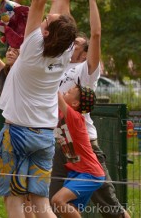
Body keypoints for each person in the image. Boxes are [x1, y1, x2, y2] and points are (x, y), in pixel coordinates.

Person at [0, 0, 79, 218]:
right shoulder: (66, 49)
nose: (47, 15)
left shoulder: (31, 49)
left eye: (48, 19)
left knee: (15, 202)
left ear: (45, 32)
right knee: (40, 204)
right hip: (44, 136)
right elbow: (63, 0)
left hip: (16, 132)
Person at [50, 0, 130, 218]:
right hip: (62, 147)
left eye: (77, 43)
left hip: (86, 149)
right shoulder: (60, 66)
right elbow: (65, 27)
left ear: (84, 53)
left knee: (111, 210)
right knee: (53, 203)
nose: (72, 43)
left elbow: (95, 35)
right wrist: (58, 5)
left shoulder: (85, 73)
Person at [51, 86, 104, 216]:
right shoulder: (61, 113)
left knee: (57, 200)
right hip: (76, 172)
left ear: (75, 103)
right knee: (69, 209)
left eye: (69, 92)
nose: (65, 92)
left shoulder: (76, 118)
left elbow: (56, 93)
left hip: (90, 173)